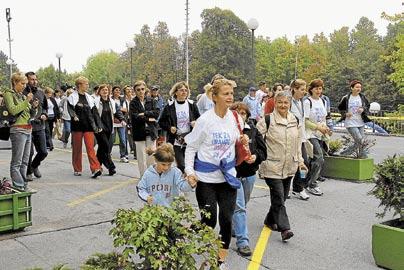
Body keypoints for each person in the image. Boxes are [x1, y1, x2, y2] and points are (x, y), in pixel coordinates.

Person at [184, 78, 248, 269]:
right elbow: (191, 148)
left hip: (228, 177)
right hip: (206, 179)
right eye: (225, 94)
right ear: (214, 97)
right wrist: (189, 171)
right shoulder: (205, 121)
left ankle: (219, 261)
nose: (230, 97)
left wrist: (242, 139)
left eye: (231, 94)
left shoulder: (235, 117)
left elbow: (236, 139)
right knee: (209, 220)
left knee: (227, 220)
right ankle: (192, 230)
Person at [257, 91, 307, 242]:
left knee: (282, 197)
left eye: (286, 102)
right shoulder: (267, 120)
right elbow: (256, 139)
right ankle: (285, 228)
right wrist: (259, 159)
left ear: (290, 103)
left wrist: (300, 161)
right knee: (278, 196)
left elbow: (298, 143)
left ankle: (269, 220)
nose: (283, 105)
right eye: (280, 102)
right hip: (272, 165)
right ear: (275, 103)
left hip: (290, 165)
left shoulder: (295, 120)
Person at [230, 102, 266, 257]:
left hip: (250, 174)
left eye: (243, 113)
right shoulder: (227, 132)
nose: (240, 115)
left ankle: (234, 224)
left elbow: (263, 151)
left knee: (243, 203)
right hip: (233, 175)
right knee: (240, 208)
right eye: (237, 113)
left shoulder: (253, 131)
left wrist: (255, 156)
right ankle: (243, 242)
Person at [3, 72, 36, 192]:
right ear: (15, 82)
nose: (24, 86)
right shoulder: (8, 94)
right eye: (22, 83)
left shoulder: (22, 96)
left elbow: (30, 115)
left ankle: (23, 186)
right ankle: (19, 185)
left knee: (25, 161)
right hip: (17, 129)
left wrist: (34, 107)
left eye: (25, 84)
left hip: (28, 129)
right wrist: (27, 100)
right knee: (17, 161)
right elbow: (13, 110)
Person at [158, 81, 200, 173]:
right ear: (176, 92)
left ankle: (187, 183)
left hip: (190, 139)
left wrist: (195, 123)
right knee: (181, 164)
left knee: (190, 164)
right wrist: (170, 128)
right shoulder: (170, 106)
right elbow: (161, 122)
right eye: (181, 90)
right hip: (177, 140)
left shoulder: (192, 105)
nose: (184, 92)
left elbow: (200, 120)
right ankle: (182, 182)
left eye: (186, 90)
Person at [67, 76, 102, 178]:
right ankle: (77, 169)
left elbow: (95, 113)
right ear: (79, 85)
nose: (88, 85)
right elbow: (70, 110)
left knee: (90, 148)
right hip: (77, 127)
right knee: (77, 149)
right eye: (86, 84)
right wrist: (74, 116)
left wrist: (98, 125)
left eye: (87, 83)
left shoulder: (90, 98)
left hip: (88, 127)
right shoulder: (72, 97)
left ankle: (95, 168)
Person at [303, 79, 331, 196]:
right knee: (319, 158)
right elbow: (305, 121)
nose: (319, 91)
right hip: (310, 134)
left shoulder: (322, 101)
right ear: (311, 89)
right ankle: (312, 184)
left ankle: (305, 183)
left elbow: (324, 118)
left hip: (320, 134)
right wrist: (317, 127)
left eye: (320, 88)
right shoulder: (307, 102)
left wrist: (327, 129)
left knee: (313, 160)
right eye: (316, 88)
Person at [130, 80, 160, 177]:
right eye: (138, 90)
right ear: (135, 91)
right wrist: (149, 118)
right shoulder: (133, 103)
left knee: (151, 157)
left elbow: (156, 113)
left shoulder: (151, 100)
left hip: (151, 132)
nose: (140, 91)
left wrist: (144, 114)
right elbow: (135, 117)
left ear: (145, 89)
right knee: (141, 157)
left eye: (142, 89)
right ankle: (143, 177)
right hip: (139, 133)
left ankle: (151, 176)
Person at [94, 84, 125, 176]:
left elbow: (117, 112)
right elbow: (95, 115)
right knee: (106, 147)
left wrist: (122, 119)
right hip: (99, 128)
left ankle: (97, 166)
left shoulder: (111, 101)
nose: (105, 91)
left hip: (109, 128)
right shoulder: (95, 101)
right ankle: (111, 167)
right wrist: (98, 127)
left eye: (106, 90)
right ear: (99, 92)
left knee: (101, 148)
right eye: (103, 90)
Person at [23, 72, 48, 182]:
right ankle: (28, 172)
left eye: (35, 79)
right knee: (29, 152)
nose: (34, 81)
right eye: (32, 79)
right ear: (26, 80)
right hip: (27, 126)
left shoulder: (41, 93)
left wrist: (45, 114)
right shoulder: (22, 93)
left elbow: (45, 107)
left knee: (43, 151)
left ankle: (34, 165)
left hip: (40, 126)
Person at [338, 80, 371, 158]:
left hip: (360, 122)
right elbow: (340, 108)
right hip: (350, 122)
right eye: (356, 87)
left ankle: (343, 154)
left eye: (360, 87)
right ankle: (365, 157)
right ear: (352, 88)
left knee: (359, 143)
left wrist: (363, 109)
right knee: (361, 141)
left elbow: (367, 106)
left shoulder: (362, 97)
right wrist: (345, 114)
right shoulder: (346, 98)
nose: (358, 89)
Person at [289, 79, 310, 200]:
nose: (304, 92)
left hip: (301, 137)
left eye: (304, 89)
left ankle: (299, 187)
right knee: (289, 163)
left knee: (304, 162)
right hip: (290, 137)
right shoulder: (289, 102)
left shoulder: (302, 102)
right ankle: (286, 187)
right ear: (295, 89)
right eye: (302, 89)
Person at [110, 86, 129, 163]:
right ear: (113, 92)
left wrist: (118, 108)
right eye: (116, 90)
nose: (117, 92)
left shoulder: (122, 100)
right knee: (112, 139)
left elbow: (125, 110)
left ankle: (123, 155)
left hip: (121, 122)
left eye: (119, 90)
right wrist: (119, 109)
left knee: (123, 140)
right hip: (112, 122)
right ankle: (108, 153)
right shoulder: (110, 99)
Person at [44, 87, 60, 151]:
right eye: (49, 93)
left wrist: (58, 118)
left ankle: (47, 143)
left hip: (52, 117)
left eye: (51, 93)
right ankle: (50, 145)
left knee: (50, 130)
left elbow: (56, 108)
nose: (50, 94)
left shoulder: (52, 100)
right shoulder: (43, 99)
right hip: (46, 117)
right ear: (46, 93)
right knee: (47, 131)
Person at [122, 85, 135, 158]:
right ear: (125, 91)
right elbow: (120, 108)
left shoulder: (134, 99)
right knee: (125, 138)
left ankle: (136, 154)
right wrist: (124, 110)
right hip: (125, 119)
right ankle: (125, 154)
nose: (129, 91)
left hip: (133, 119)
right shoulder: (122, 100)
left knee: (135, 136)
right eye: (127, 90)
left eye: (130, 89)